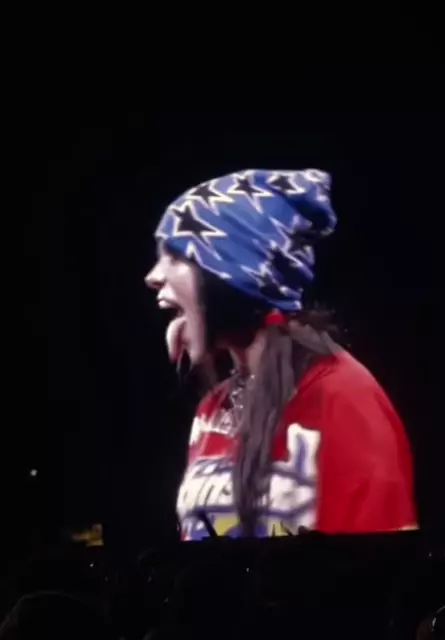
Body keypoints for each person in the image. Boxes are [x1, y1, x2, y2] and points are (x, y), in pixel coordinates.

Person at [145, 168, 418, 540]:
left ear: (234, 272)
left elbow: (384, 564)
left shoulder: (342, 396)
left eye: (176, 257)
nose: (153, 276)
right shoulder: (212, 409)